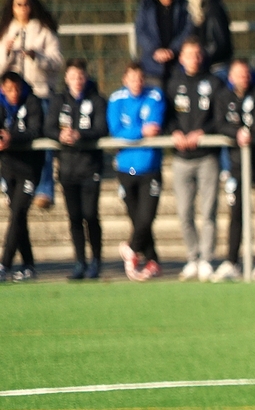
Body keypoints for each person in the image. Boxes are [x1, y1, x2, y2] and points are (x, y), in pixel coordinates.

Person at [165, 37, 224, 282]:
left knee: (208, 211)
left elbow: (220, 116)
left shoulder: (214, 82)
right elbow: (166, 115)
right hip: (181, 159)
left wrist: (203, 132)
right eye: (189, 54)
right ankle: (192, 257)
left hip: (207, 157)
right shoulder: (173, 83)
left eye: (198, 54)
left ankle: (207, 260)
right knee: (184, 212)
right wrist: (174, 132)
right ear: (181, 57)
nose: (194, 59)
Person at [212, 58, 255, 281]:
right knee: (236, 211)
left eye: (246, 73)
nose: (243, 78)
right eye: (239, 74)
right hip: (237, 164)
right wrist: (236, 132)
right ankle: (232, 261)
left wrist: (249, 132)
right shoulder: (223, 96)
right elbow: (220, 123)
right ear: (231, 76)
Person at [45, 59, 108, 279]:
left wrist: (80, 135)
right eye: (73, 77)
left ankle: (96, 260)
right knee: (74, 217)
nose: (77, 81)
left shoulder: (97, 100)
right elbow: (48, 127)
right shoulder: (59, 100)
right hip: (67, 168)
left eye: (80, 76)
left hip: (90, 167)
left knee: (90, 215)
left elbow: (102, 128)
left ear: (86, 77)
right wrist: (60, 135)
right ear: (66, 78)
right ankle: (80, 262)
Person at [0, 0, 63, 210]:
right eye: (18, 4)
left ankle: (44, 189)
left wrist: (37, 56)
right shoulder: (5, 32)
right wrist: (7, 52)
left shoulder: (44, 31)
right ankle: (9, 186)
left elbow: (57, 62)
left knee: (43, 143)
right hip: (11, 98)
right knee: (8, 139)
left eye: (26, 4)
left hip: (40, 93)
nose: (22, 8)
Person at [108, 62, 166, 281]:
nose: (137, 82)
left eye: (140, 78)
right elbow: (116, 131)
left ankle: (130, 249)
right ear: (125, 79)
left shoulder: (155, 96)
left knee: (146, 217)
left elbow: (155, 126)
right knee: (137, 219)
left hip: (149, 166)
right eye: (132, 78)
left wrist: (133, 132)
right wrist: (140, 130)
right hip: (127, 167)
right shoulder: (116, 99)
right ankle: (152, 261)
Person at [0, 71, 44, 282]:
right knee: (19, 217)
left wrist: (12, 138)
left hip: (29, 169)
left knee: (17, 214)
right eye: (9, 89)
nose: (14, 93)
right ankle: (29, 265)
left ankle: (4, 264)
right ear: (3, 89)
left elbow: (35, 131)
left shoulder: (32, 102)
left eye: (17, 88)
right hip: (8, 168)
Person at [135, 0, 191, 88]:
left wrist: (173, 50)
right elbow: (140, 31)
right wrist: (155, 50)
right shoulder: (146, 7)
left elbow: (187, 30)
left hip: (177, 66)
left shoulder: (183, 7)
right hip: (151, 67)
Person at [187, 0, 233, 77]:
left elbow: (218, 43)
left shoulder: (213, 10)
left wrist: (199, 57)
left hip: (215, 67)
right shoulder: (205, 10)